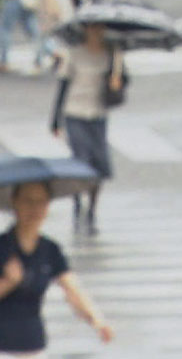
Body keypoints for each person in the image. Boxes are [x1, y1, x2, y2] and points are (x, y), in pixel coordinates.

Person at [0, 181, 113, 358]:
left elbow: (72, 289)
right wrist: (6, 282)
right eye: (28, 201)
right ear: (15, 202)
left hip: (34, 346)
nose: (34, 209)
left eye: (41, 202)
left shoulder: (50, 249)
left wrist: (97, 321)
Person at [50, 23, 121, 236]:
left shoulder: (112, 54)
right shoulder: (75, 53)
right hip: (75, 112)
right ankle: (77, 199)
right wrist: (55, 120)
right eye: (92, 28)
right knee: (80, 159)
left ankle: (92, 206)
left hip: (98, 113)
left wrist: (118, 79)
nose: (96, 32)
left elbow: (120, 85)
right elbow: (63, 85)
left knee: (99, 162)